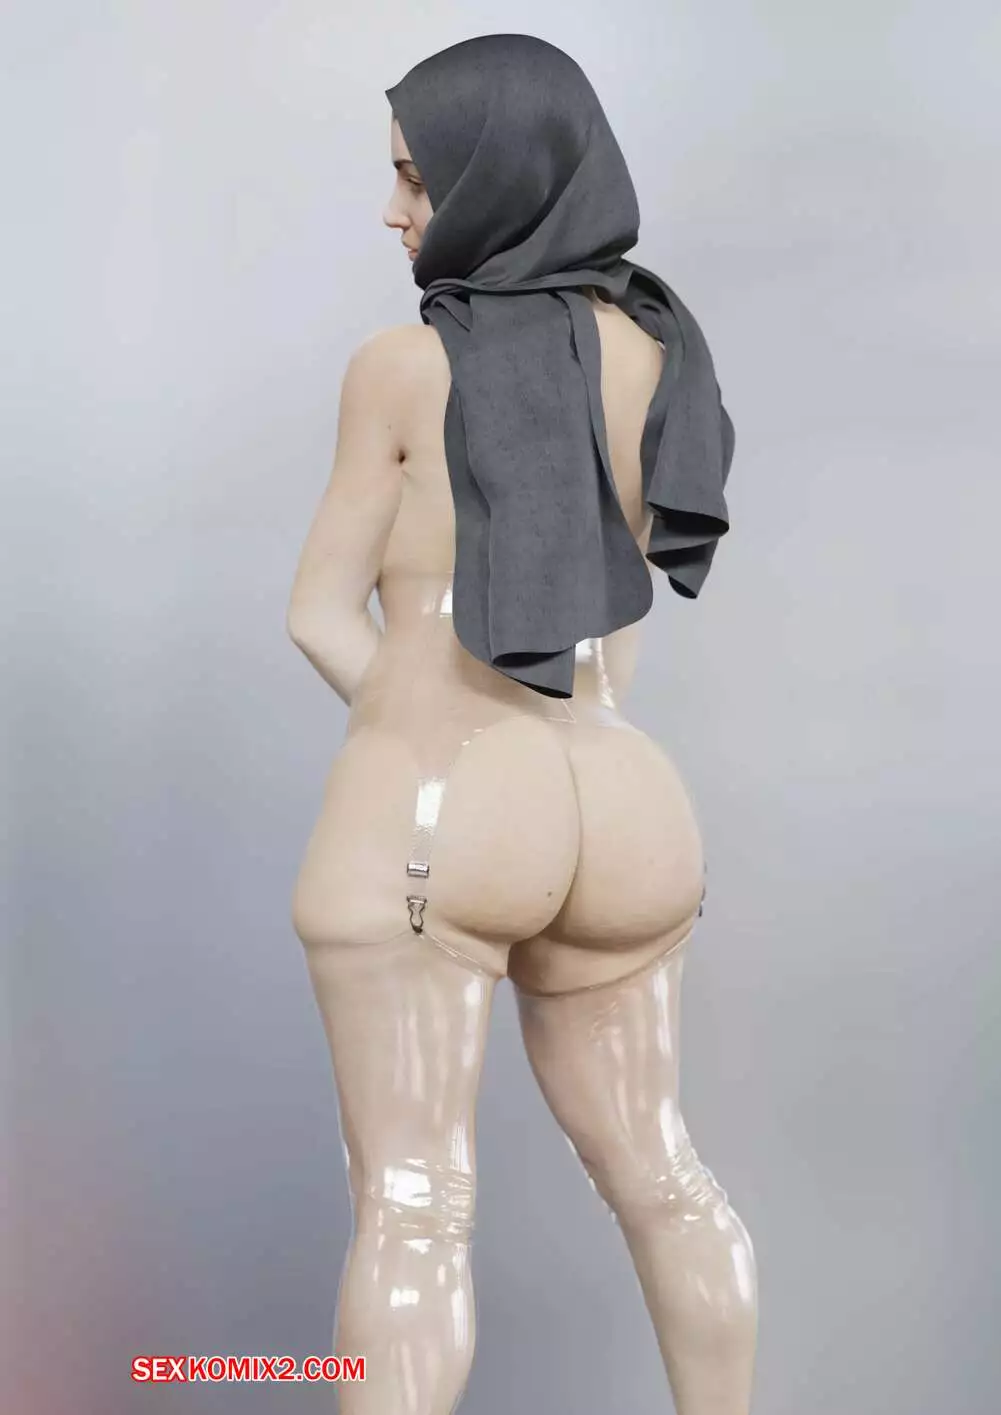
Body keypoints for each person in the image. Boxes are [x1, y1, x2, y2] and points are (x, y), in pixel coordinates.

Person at [286, 34, 757, 1415]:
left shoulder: (399, 366)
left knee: (414, 1204)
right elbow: (621, 613)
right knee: (666, 1175)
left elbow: (318, 612)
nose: (394, 212)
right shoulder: (659, 351)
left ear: (492, 176)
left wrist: (416, 742)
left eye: (416, 177)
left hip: (445, 792)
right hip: (624, 794)